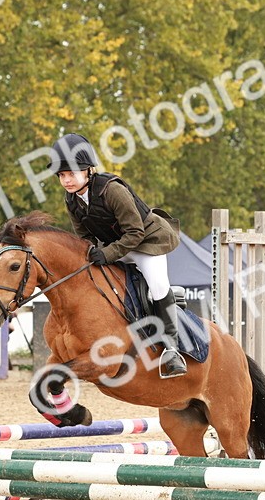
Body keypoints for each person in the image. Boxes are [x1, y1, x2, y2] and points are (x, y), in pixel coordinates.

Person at [48, 132, 187, 378]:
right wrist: (89, 253)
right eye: (62, 175)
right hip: (120, 245)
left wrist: (107, 253)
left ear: (88, 170)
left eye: (71, 173)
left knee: (156, 285)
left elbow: (135, 232)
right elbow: (85, 237)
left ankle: (172, 350)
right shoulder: (72, 199)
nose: (66, 180)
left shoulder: (112, 190)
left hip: (147, 242)